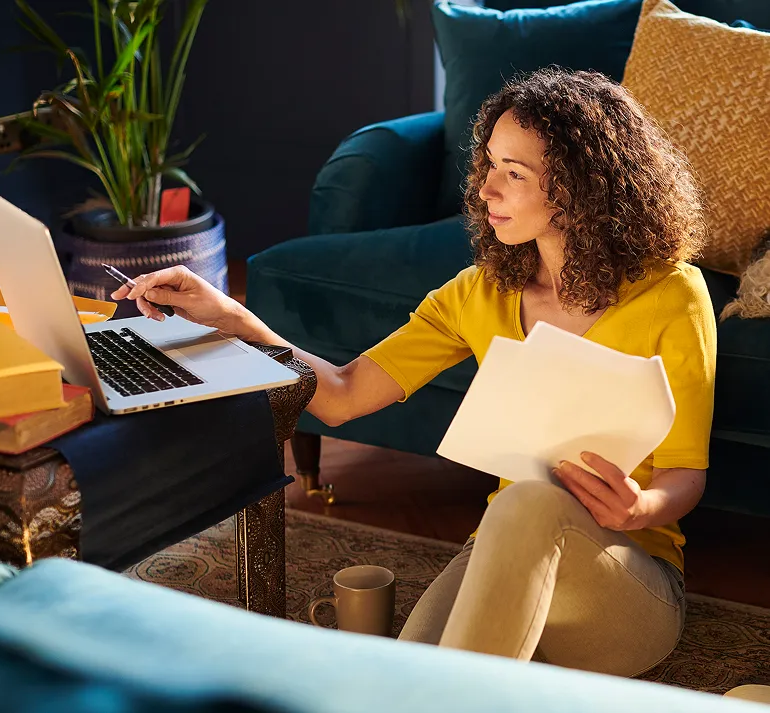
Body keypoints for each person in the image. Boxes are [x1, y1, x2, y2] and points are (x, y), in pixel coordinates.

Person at [112, 68, 716, 677]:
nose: (486, 190)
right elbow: (344, 397)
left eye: (515, 173)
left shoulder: (671, 295)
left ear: (581, 189)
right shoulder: (480, 293)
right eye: (489, 165)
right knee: (401, 681)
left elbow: (685, 472)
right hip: (503, 557)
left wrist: (639, 508)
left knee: (529, 504)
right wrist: (233, 318)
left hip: (626, 587)